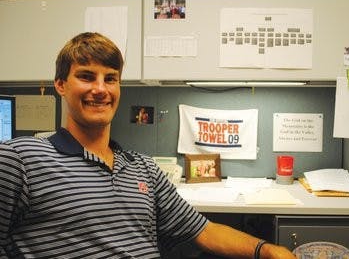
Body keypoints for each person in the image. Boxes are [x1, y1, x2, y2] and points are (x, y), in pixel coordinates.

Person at [0, 32, 295, 258]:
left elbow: (203, 230)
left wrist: (267, 251)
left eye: (110, 79)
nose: (100, 89)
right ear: (61, 85)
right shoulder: (20, 160)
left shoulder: (142, 168)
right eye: (86, 76)